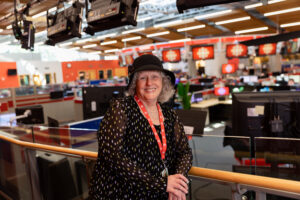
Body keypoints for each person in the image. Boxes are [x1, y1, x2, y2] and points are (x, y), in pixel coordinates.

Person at [89, 54, 193, 199]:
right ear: (134, 84)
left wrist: (177, 183)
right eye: (143, 78)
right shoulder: (121, 108)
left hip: (158, 193)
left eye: (155, 77)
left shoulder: (169, 115)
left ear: (163, 82)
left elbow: (185, 152)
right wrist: (162, 184)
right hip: (121, 194)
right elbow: (112, 156)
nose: (149, 83)